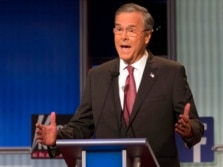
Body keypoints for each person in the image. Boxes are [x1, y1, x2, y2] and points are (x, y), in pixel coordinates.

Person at [36, 3, 204, 167]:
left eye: (131, 30)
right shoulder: (98, 76)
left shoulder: (171, 73)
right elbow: (82, 126)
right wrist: (57, 137)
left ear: (147, 36)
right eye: (119, 29)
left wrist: (189, 130)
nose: (123, 36)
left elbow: (195, 126)